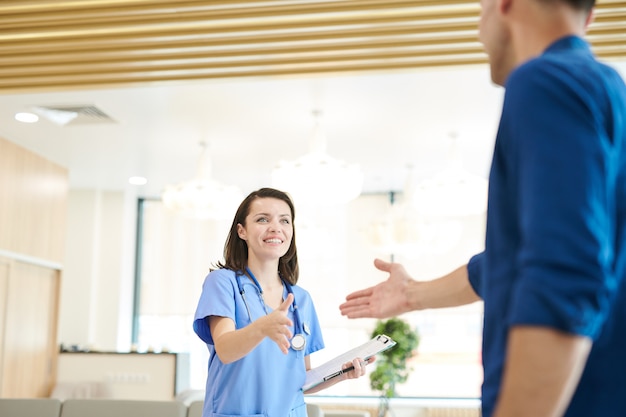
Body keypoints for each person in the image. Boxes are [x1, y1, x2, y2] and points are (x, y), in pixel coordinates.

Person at [339, 0, 626, 415]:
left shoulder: (544, 81)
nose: (478, 27)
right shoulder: (607, 89)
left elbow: (564, 276)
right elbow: (510, 263)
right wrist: (411, 295)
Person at [193, 187, 369, 417]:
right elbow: (225, 349)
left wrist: (340, 374)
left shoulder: (300, 299)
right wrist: (262, 327)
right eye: (263, 219)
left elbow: (301, 380)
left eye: (285, 221)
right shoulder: (223, 283)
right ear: (242, 231)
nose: (276, 227)